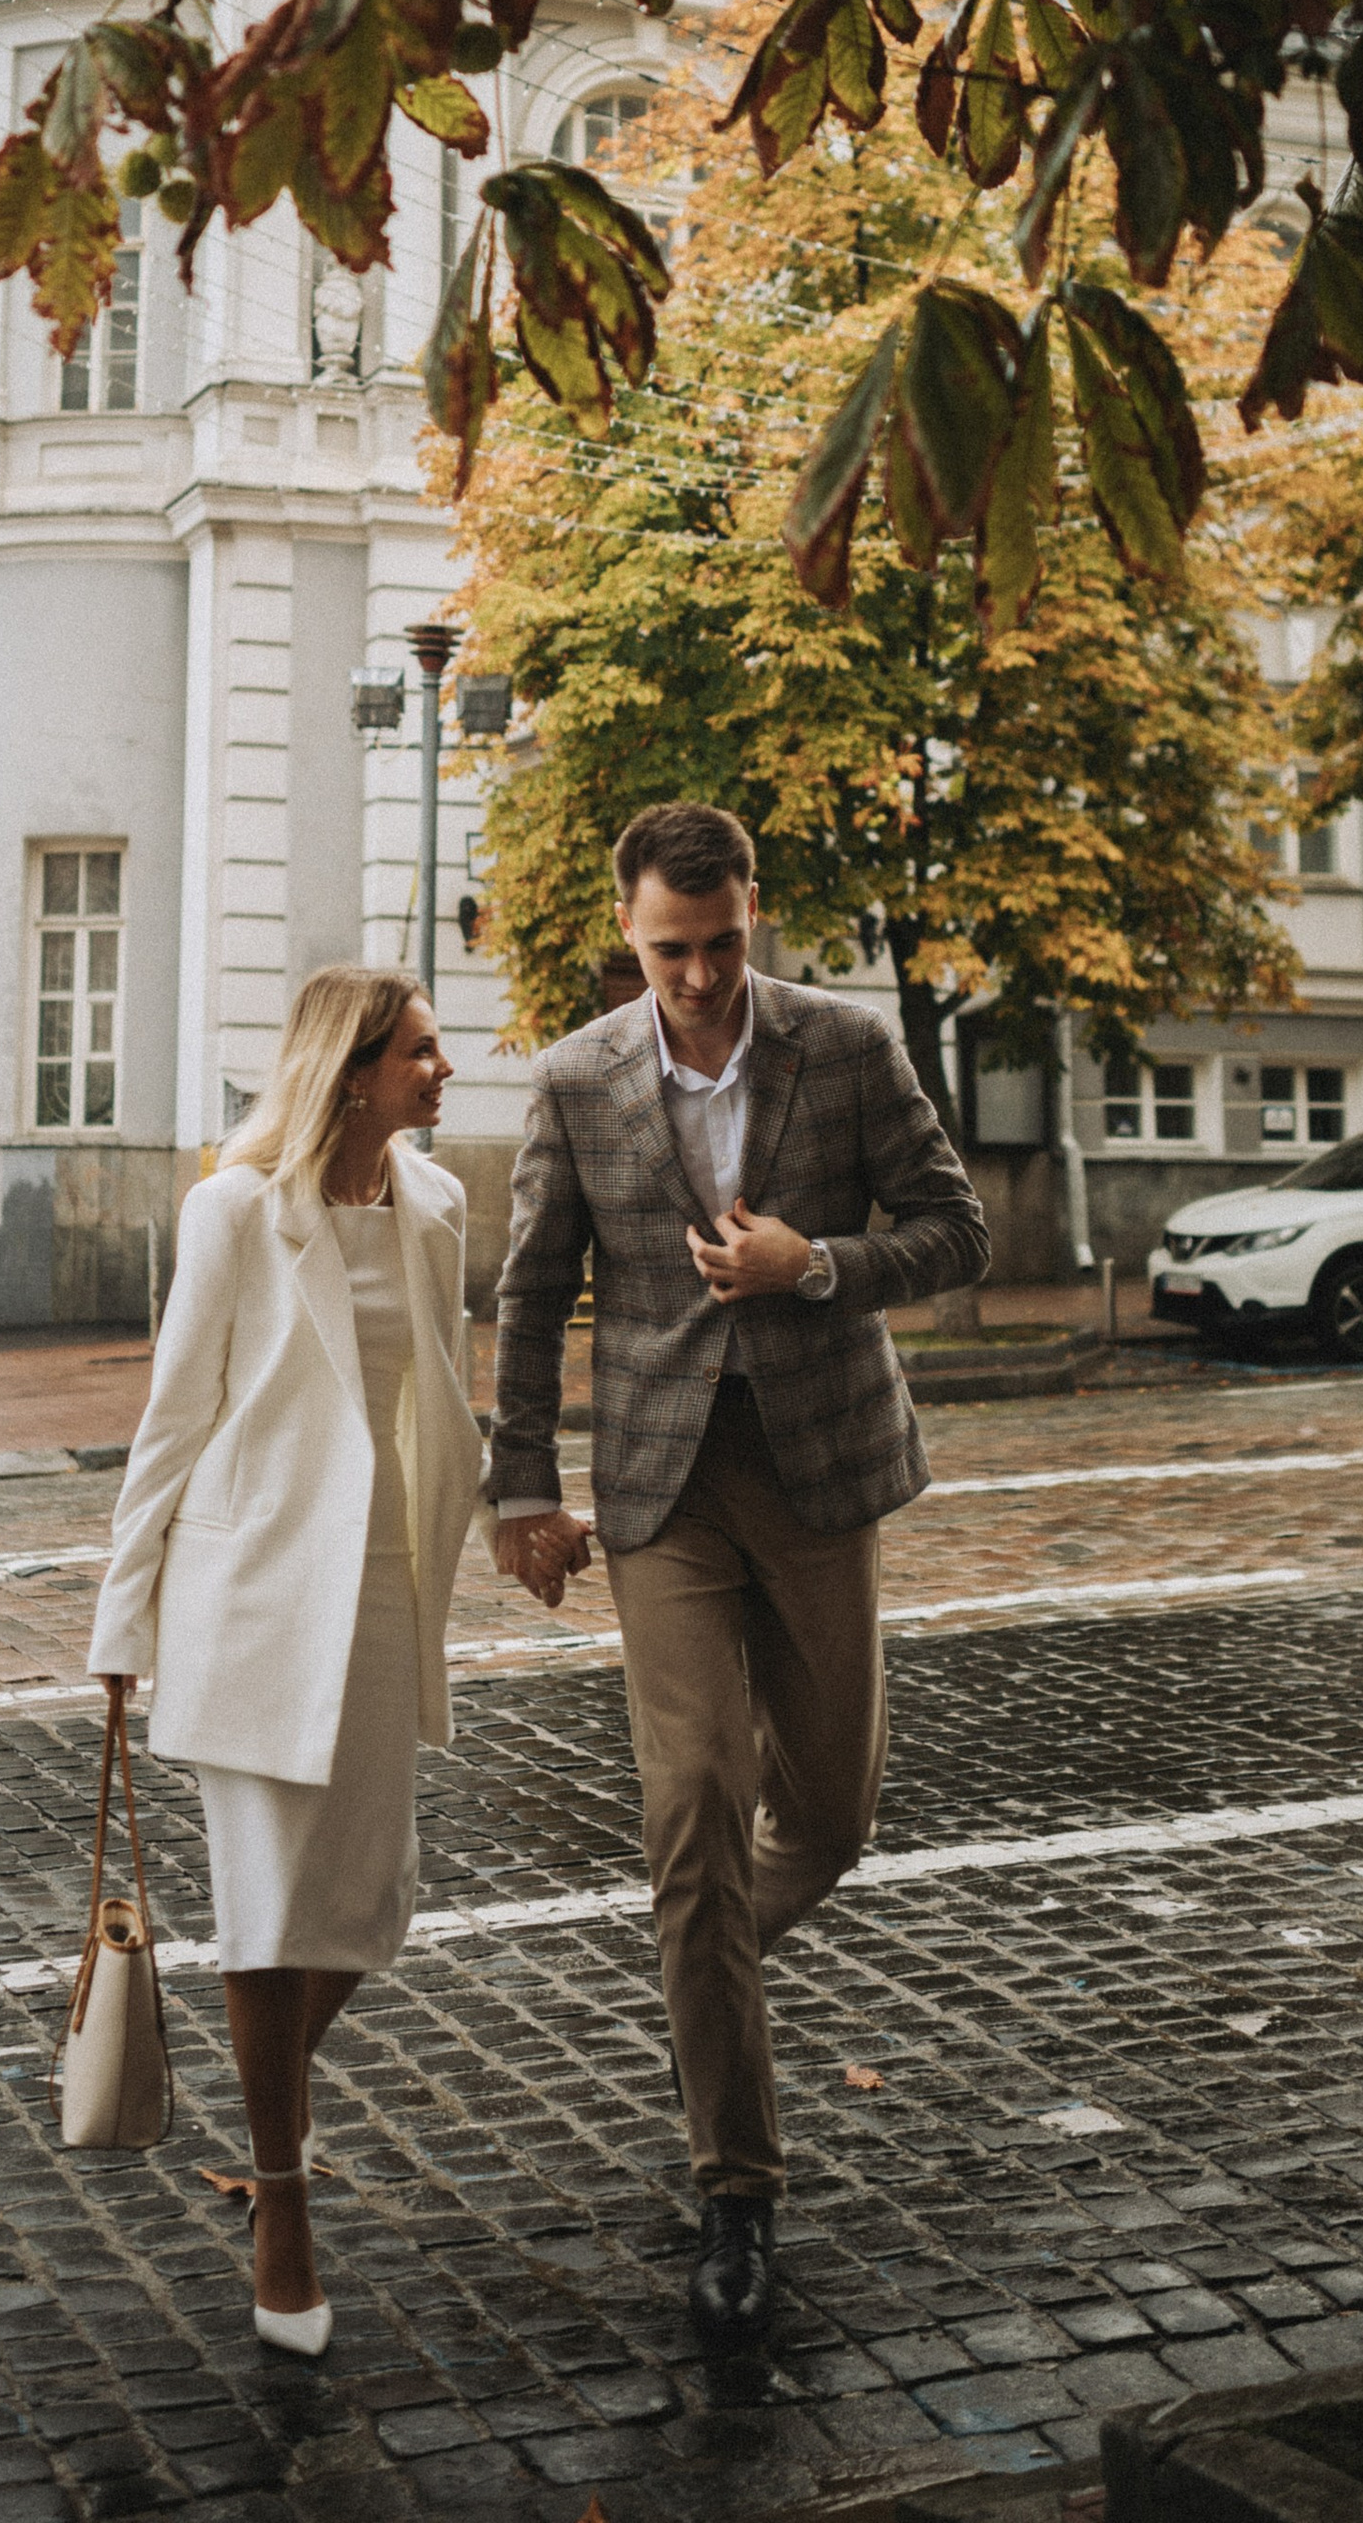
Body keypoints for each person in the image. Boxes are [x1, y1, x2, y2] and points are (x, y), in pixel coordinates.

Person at [489, 800, 990, 2348]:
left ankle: (698, 1952)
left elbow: (955, 1230)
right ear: (628, 932)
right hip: (663, 1495)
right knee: (692, 1807)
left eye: (719, 948)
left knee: (830, 1818)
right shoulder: (577, 1079)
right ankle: (739, 2191)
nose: (697, 980)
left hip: (822, 1474)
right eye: (667, 952)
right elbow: (529, 1296)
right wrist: (517, 1487)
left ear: (751, 915)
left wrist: (815, 1264)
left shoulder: (845, 1046)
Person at [86, 966, 480, 2356]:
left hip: (379, 1594)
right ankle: (287, 2204)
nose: (446, 1071)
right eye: (423, 1053)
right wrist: (124, 1627)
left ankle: (266, 2113)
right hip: (249, 1597)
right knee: (266, 1911)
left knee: (370, 1906)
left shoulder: (434, 1209)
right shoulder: (236, 1212)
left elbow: (446, 1403)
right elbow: (171, 1423)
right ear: (355, 1069)